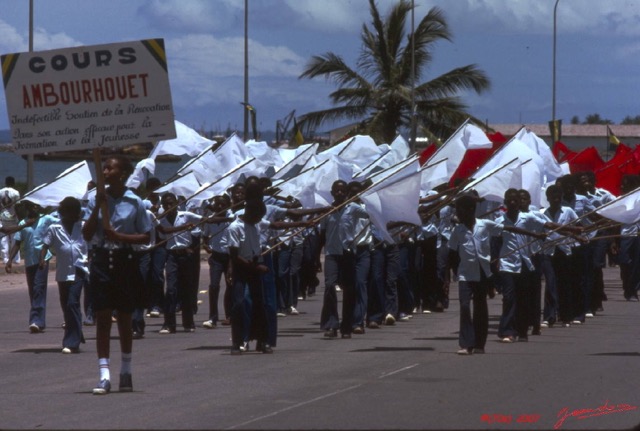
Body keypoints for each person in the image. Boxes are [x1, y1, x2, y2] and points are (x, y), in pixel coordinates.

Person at [82, 155, 153, 395]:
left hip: (125, 262)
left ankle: (126, 370)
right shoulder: (94, 199)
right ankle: (104, 375)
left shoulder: (135, 202)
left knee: (124, 318)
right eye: (104, 167)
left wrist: (120, 237)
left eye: (110, 167)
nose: (105, 171)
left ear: (122, 173)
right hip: (102, 260)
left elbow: (146, 236)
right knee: (102, 318)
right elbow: (86, 233)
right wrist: (96, 209)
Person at [40, 197, 88, 354]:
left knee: (72, 303)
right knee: (66, 306)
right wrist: (42, 260)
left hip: (79, 270)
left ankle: (71, 342)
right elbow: (45, 245)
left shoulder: (83, 226)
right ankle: (77, 331)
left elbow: (94, 243)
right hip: (62, 272)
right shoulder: (54, 228)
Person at [6, 201, 57, 333]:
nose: (35, 207)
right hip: (29, 261)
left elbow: (60, 223)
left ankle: (36, 320)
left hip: (42, 259)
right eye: (32, 206)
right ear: (28, 208)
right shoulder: (23, 223)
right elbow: (17, 243)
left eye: (36, 205)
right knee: (33, 291)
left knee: (39, 288)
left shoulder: (46, 219)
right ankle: (40, 321)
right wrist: (9, 260)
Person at [1, 176, 21, 265]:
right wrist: (19, 217)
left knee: (3, 238)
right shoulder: (16, 192)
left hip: (2, 216)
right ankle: (15, 259)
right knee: (15, 238)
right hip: (13, 217)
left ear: (5, 182)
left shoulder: (0, 191)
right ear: (13, 183)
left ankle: (5, 258)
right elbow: (17, 206)